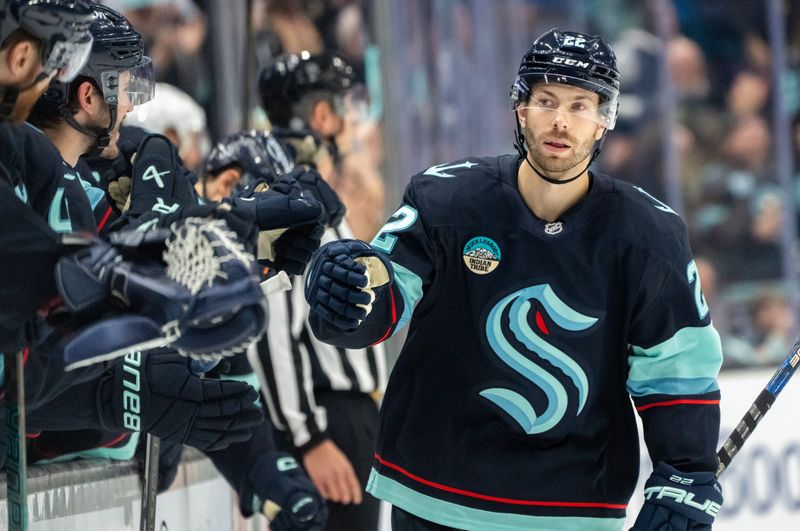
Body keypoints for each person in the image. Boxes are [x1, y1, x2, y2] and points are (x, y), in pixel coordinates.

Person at [303, 28, 724, 530]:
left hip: (572, 509)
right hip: (439, 497)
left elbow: (676, 373)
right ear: (520, 108)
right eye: (546, 99)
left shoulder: (648, 237)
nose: (561, 120)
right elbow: (384, 298)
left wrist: (685, 475)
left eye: (580, 105)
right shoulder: (446, 200)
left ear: (603, 121)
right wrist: (348, 297)